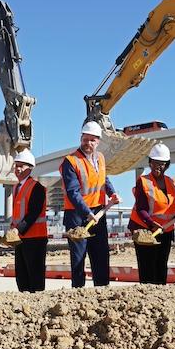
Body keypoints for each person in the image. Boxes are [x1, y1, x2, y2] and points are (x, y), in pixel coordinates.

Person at [60, 121, 120, 287]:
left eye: (92, 140)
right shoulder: (70, 161)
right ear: (81, 138)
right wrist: (87, 212)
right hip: (77, 215)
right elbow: (73, 192)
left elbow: (103, 178)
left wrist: (112, 192)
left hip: (98, 213)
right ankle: (78, 293)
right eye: (85, 139)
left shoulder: (100, 158)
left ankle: (102, 289)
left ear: (98, 141)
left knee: (100, 254)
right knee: (79, 258)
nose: (88, 143)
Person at [129, 143, 175, 285]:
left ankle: (159, 298)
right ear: (150, 163)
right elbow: (141, 209)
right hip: (145, 229)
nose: (158, 167)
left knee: (161, 266)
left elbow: (173, 201)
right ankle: (147, 299)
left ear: (167, 165)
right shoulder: (144, 181)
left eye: (162, 164)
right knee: (147, 268)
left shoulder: (171, 182)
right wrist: (152, 224)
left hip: (165, 230)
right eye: (155, 163)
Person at [9, 149, 48, 292]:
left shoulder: (37, 187)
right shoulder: (16, 188)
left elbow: (33, 213)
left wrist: (17, 229)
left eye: (22, 166)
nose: (18, 169)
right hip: (21, 238)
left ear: (30, 168)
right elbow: (18, 214)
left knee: (35, 277)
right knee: (22, 277)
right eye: (16, 165)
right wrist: (12, 231)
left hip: (35, 238)